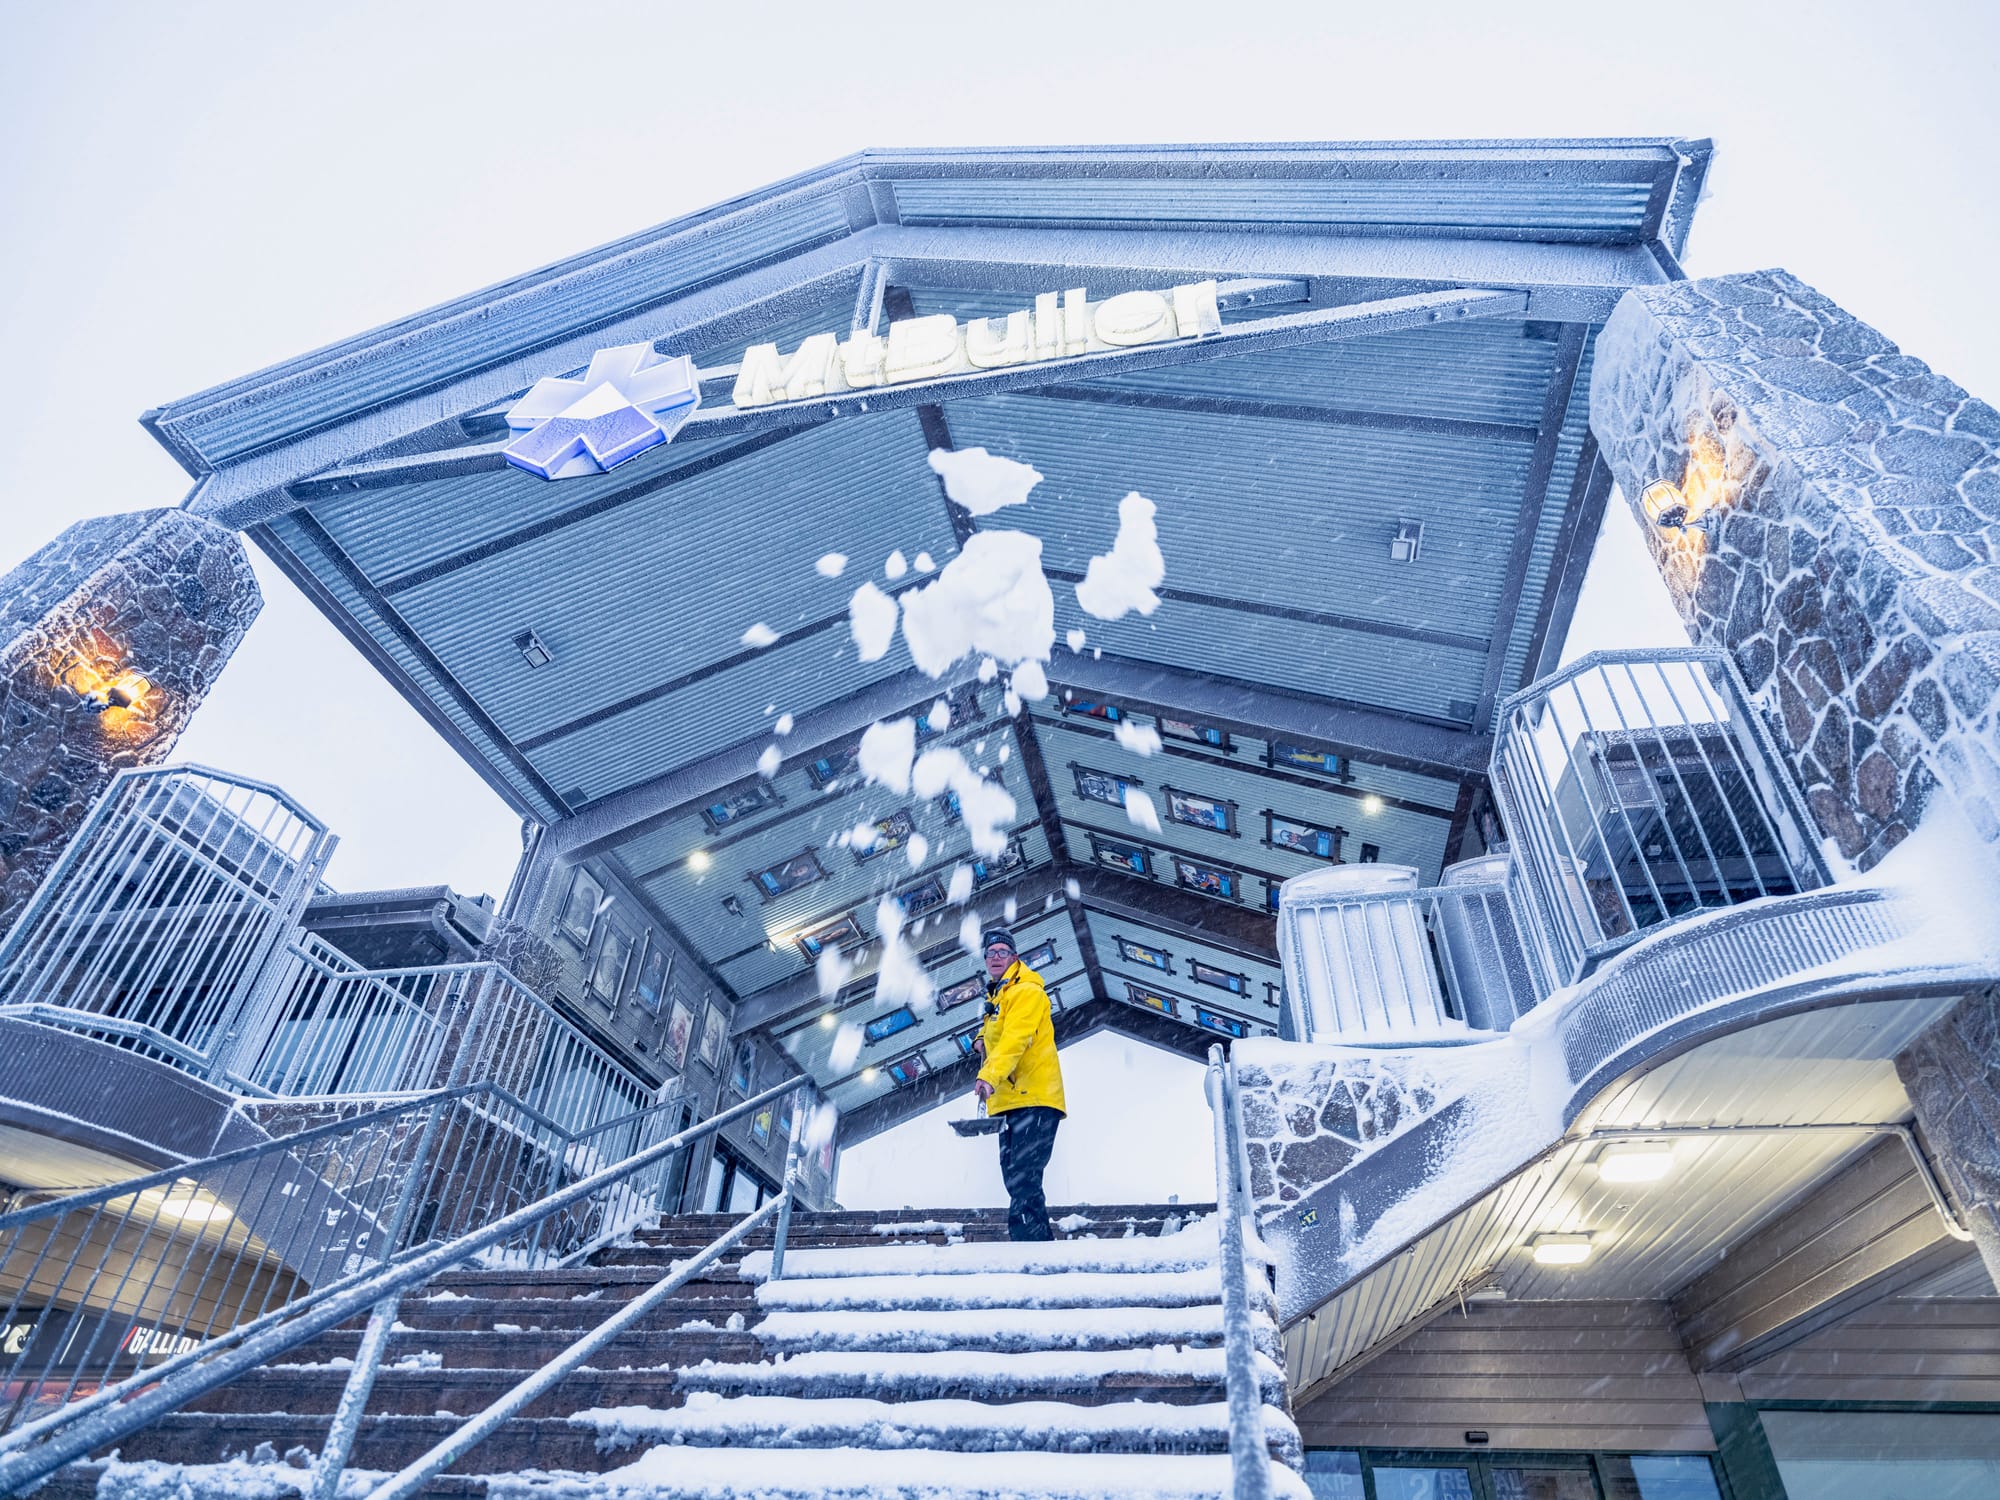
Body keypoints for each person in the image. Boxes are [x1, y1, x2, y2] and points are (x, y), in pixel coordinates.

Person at [971, 926, 1066, 1242]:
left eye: (1002, 952)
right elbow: (1000, 1030)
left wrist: (988, 1075)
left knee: (1024, 1177)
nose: (995, 957)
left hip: (1034, 1098)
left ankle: (1032, 1245)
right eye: (990, 953)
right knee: (1015, 1178)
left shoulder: (1027, 991)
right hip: (1011, 1100)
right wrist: (982, 1037)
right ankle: (1034, 1243)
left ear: (1014, 957)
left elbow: (1016, 1038)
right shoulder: (998, 995)